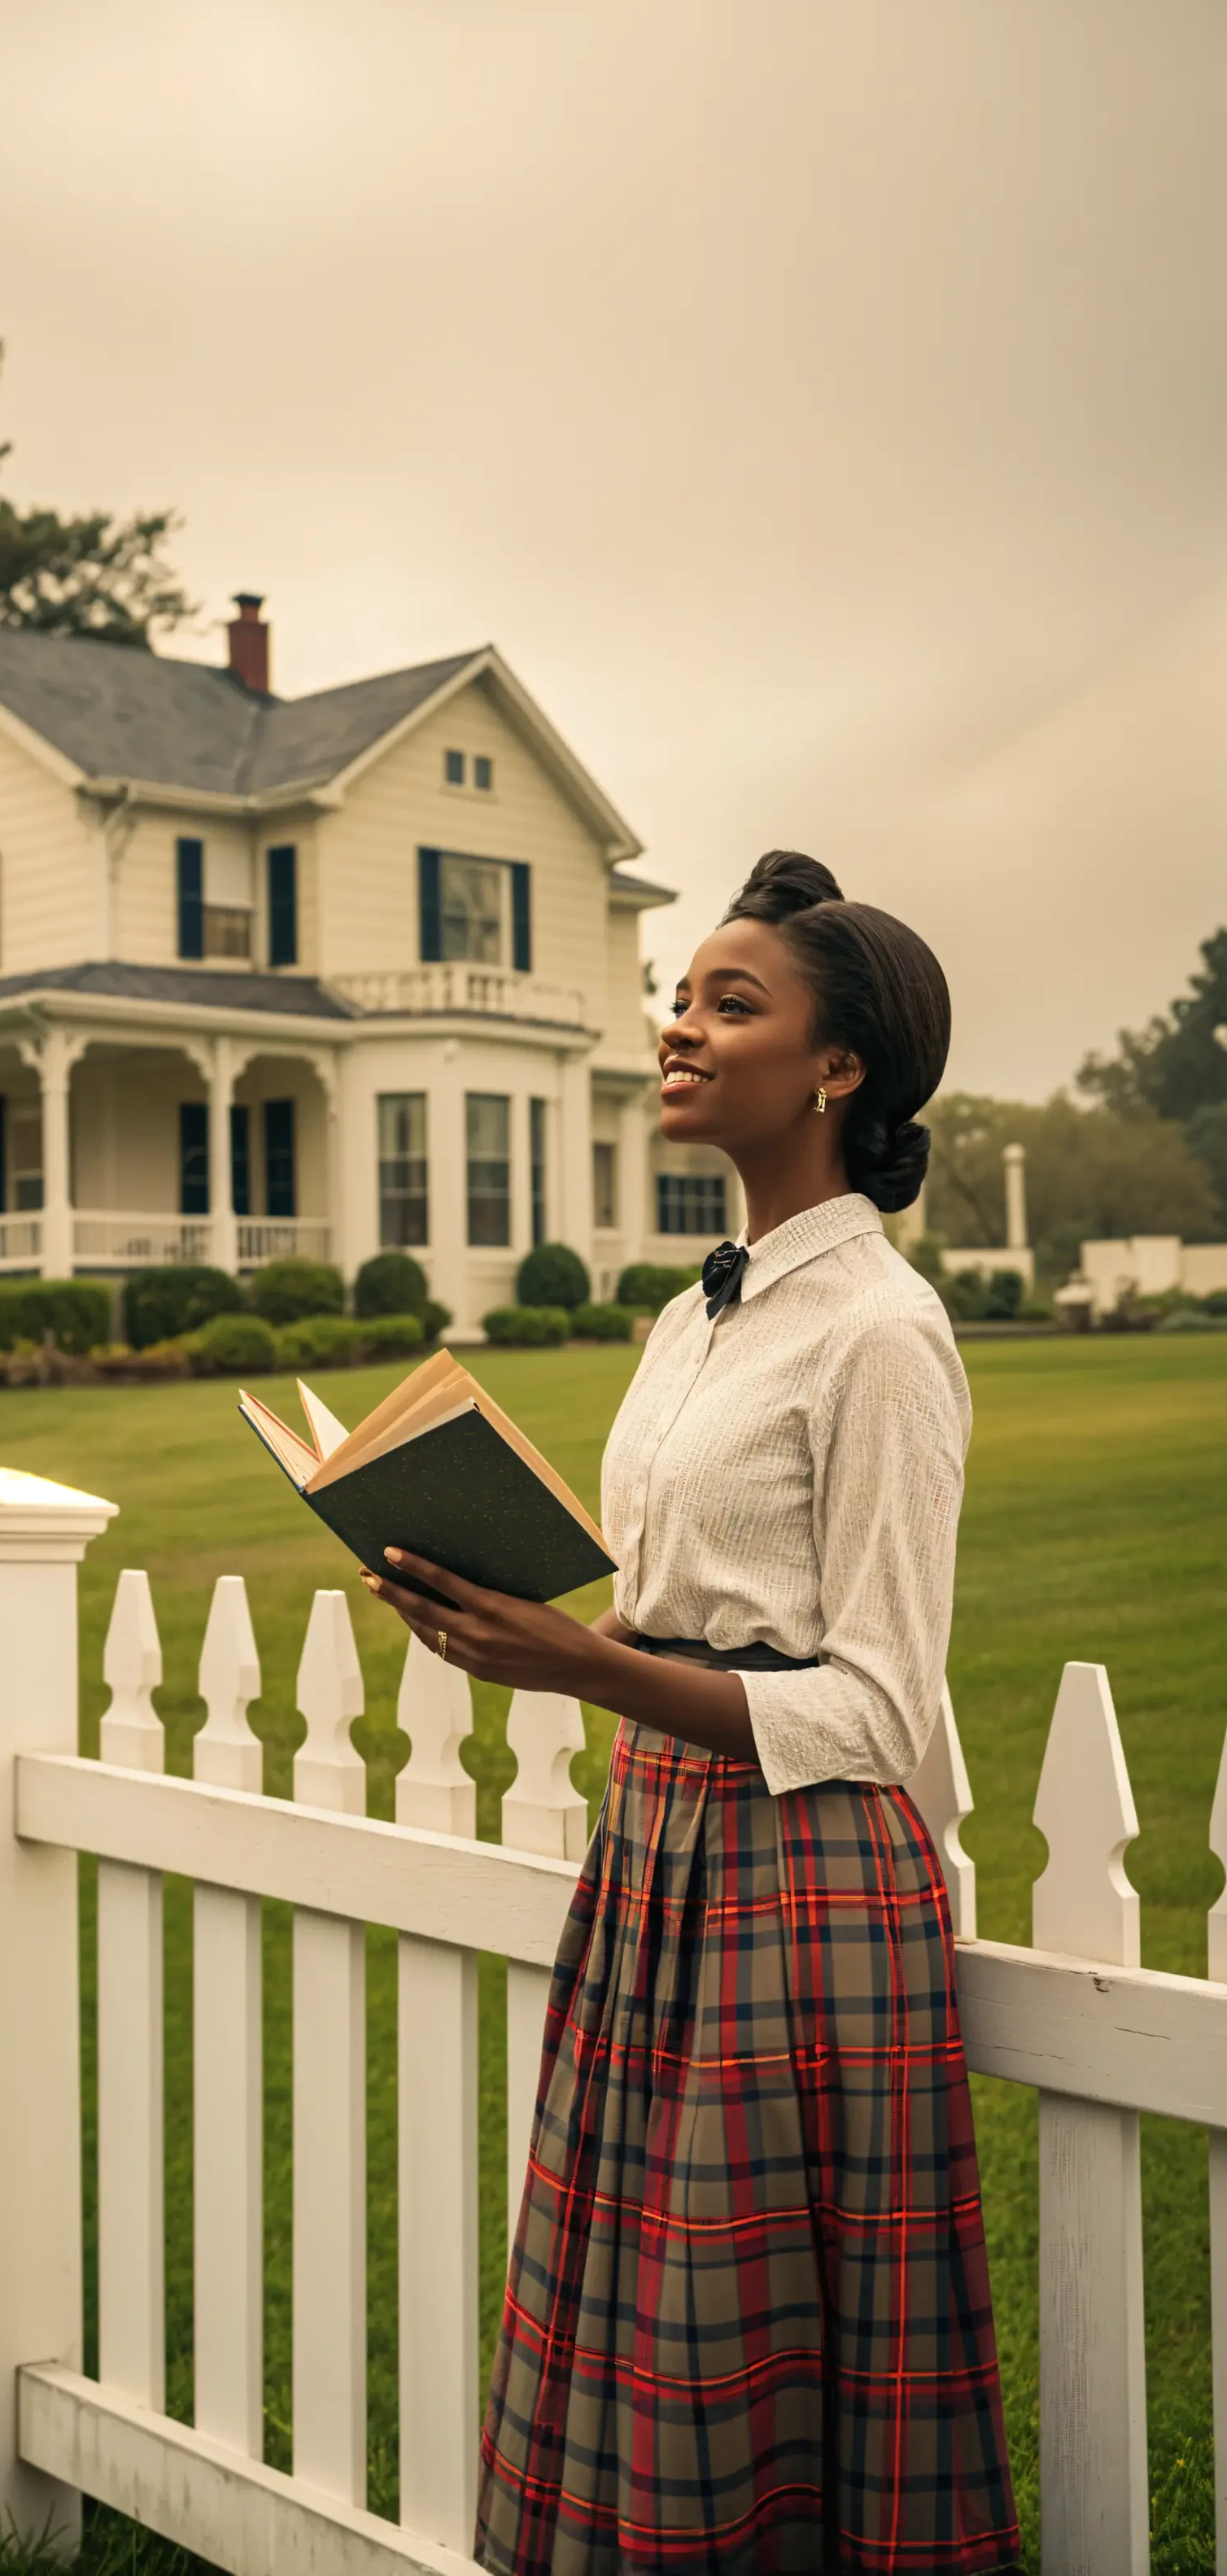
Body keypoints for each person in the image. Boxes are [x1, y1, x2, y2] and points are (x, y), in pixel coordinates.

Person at [361, 849, 1022, 2575]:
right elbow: (678, 1613)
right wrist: (508, 1623)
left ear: (839, 1066)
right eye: (682, 992)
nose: (679, 1023)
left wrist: (584, 1665)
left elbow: (878, 1702)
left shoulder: (884, 1329)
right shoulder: (690, 1311)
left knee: (749, 2363)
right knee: (637, 2326)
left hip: (803, 1889)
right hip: (657, 1849)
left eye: (732, 1002)